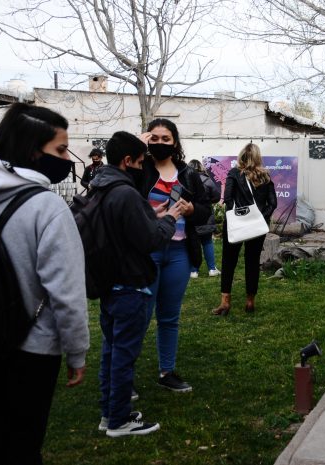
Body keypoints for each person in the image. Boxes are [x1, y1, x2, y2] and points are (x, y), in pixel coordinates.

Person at [0, 103, 90, 464]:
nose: (68, 158)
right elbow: (66, 292)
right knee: (23, 441)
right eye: (60, 149)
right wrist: (77, 350)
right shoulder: (47, 208)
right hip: (33, 347)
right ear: (31, 150)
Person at [92, 131, 185, 437]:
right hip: (130, 285)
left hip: (110, 284)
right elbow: (150, 240)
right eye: (141, 160)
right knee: (123, 357)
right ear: (128, 161)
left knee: (111, 351)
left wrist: (150, 214)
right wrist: (169, 217)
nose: (143, 166)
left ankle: (110, 413)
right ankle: (119, 421)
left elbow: (126, 229)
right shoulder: (126, 193)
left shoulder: (102, 187)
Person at [138, 118, 210, 393]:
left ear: (175, 142)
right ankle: (123, 375)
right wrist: (136, 145)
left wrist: (192, 211)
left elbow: (204, 208)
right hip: (147, 251)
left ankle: (166, 372)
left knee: (169, 316)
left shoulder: (187, 174)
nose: (159, 143)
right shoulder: (139, 170)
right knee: (140, 315)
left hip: (179, 252)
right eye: (153, 138)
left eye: (164, 139)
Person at [212, 143, 277, 316]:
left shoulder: (234, 173)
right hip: (257, 226)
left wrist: (239, 215)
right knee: (252, 261)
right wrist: (259, 217)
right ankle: (250, 302)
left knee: (229, 261)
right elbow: (273, 204)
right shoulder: (265, 177)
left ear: (241, 156)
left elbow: (228, 199)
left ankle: (225, 303)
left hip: (235, 224)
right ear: (258, 157)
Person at [187, 158, 221, 278]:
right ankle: (212, 269)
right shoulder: (208, 180)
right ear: (201, 168)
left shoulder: (185, 180)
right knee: (207, 242)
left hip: (190, 217)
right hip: (206, 216)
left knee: (192, 243)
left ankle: (193, 270)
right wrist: (206, 202)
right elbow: (217, 197)